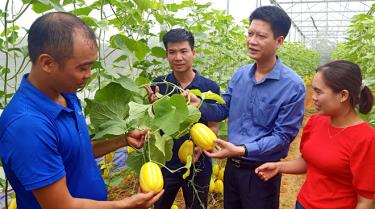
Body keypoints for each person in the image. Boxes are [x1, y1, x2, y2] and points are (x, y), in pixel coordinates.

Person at [0, 12, 163, 209]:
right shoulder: (26, 126)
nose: (89, 74)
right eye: (82, 68)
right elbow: (61, 206)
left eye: (91, 66)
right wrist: (124, 205)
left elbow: (77, 151)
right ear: (47, 63)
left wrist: (122, 140)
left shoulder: (66, 94)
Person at [188, 6, 306, 209]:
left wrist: (242, 150)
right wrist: (199, 105)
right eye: (250, 33)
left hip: (262, 171)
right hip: (232, 169)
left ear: (279, 41)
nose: (252, 41)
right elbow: (223, 109)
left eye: (261, 36)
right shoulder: (240, 75)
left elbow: (282, 137)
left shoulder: (292, 85)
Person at [255, 60, 375, 209]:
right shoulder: (316, 122)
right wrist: (279, 167)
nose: (313, 97)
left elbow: (365, 200)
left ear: (343, 95)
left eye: (319, 92)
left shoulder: (366, 138)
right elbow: (310, 162)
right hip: (303, 204)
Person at [145, 28, 220, 209]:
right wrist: (153, 107)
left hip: (199, 164)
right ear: (166, 55)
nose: (178, 57)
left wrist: (201, 148)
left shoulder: (209, 87)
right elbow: (153, 124)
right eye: (172, 52)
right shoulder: (160, 85)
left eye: (183, 51)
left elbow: (214, 126)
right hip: (165, 163)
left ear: (193, 53)